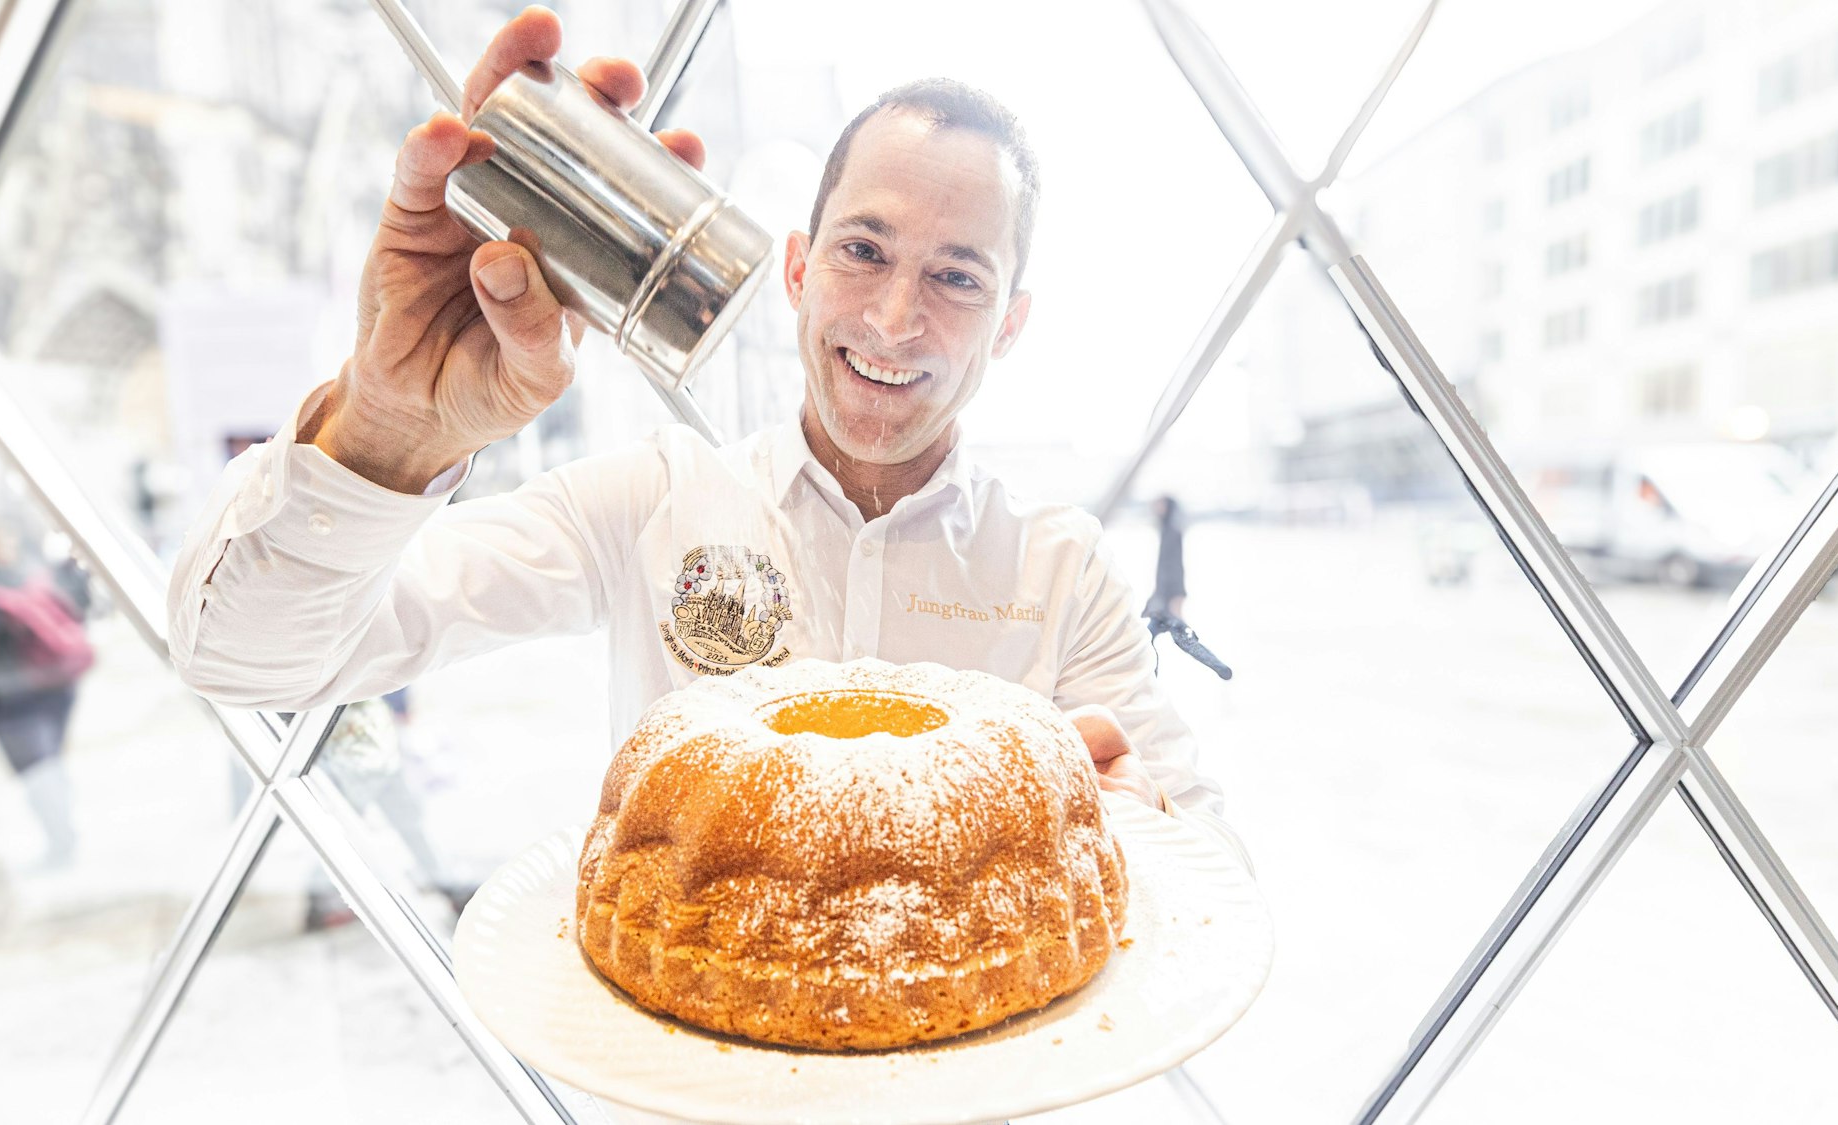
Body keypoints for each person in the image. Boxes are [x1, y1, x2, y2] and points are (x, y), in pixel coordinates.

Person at [166, 7, 1245, 860]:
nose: (892, 320)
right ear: (794, 268)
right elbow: (243, 657)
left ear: (1009, 323)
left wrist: (1129, 823)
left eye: (956, 277)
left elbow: (1204, 864)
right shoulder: (649, 506)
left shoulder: (1056, 571)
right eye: (862, 251)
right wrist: (388, 430)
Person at [0, 528, 94, 869]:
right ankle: (66, 838)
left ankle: (62, 845)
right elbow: (80, 610)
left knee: (37, 773)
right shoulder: (34, 581)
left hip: (14, 701)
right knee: (51, 764)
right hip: (58, 689)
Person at [1144, 495, 1187, 621]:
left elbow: (1173, 563)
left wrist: (1172, 591)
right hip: (1165, 588)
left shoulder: (1172, 530)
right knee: (1161, 624)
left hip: (1172, 588)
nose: (1156, 508)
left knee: (1177, 626)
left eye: (1159, 505)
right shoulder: (1166, 529)